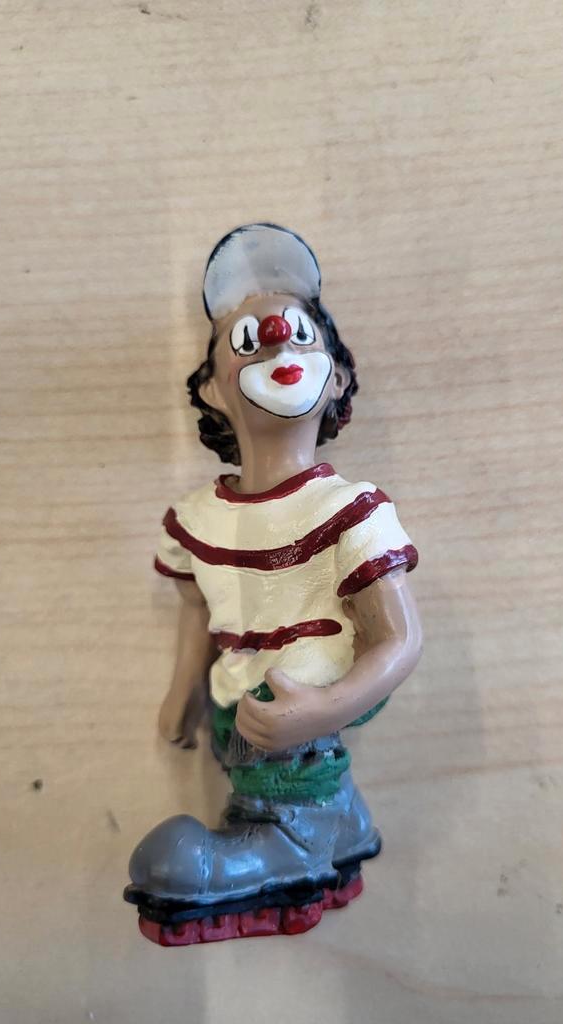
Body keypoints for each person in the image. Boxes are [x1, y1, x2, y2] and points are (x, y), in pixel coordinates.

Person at [125, 223, 422, 945]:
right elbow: (199, 611)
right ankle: (333, 824)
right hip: (239, 708)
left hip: (302, 707)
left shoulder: (351, 510)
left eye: (300, 336)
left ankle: (296, 833)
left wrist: (323, 709)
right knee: (243, 724)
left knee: (184, 846)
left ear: (336, 377)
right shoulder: (198, 519)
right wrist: (181, 692)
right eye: (249, 342)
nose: (280, 346)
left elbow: (400, 639)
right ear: (212, 390)